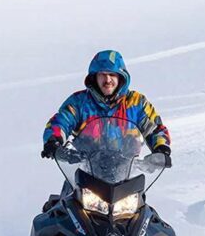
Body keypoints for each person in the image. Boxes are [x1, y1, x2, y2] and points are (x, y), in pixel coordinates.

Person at [41, 50, 171, 165]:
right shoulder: (79, 103)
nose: (107, 79)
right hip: (86, 170)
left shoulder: (136, 103)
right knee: (69, 192)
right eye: (102, 74)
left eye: (112, 74)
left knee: (142, 192)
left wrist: (161, 148)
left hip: (127, 172)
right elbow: (61, 121)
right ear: (95, 77)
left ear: (121, 77)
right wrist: (54, 141)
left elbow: (155, 128)